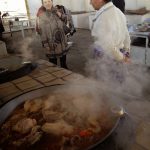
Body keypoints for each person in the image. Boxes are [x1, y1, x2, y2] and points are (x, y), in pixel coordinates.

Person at [36, 0, 69, 69]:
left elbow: (66, 20)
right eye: (45, 2)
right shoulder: (42, 16)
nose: (47, 3)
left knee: (63, 62)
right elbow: (42, 32)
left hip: (62, 41)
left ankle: (65, 70)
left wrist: (60, 15)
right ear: (43, 4)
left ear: (52, 1)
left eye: (49, 1)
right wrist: (45, 44)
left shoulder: (58, 10)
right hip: (51, 42)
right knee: (53, 65)